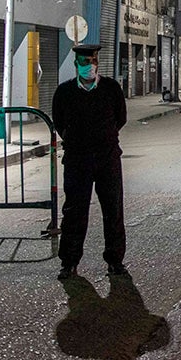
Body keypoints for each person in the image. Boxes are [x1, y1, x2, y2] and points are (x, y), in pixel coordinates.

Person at [52, 43, 128, 280]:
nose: (90, 67)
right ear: (76, 65)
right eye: (85, 63)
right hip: (77, 160)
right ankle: (69, 262)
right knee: (74, 211)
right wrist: (77, 140)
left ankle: (115, 261)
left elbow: (121, 118)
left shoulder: (110, 89)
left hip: (107, 158)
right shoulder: (64, 92)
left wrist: (103, 138)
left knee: (113, 209)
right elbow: (59, 122)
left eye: (93, 62)